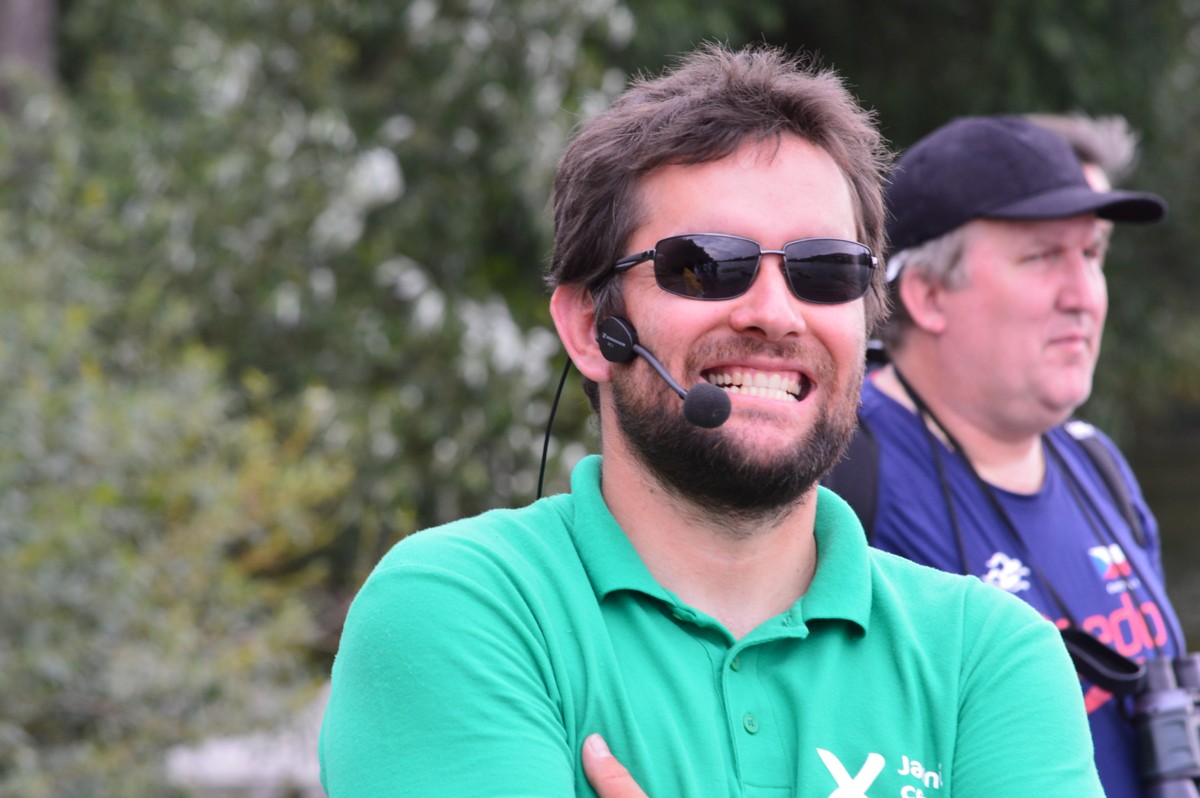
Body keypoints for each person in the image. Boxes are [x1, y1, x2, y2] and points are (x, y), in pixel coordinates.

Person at [319, 47, 1104, 796]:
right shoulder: (460, 607)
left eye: (826, 270)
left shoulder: (991, 656)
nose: (776, 314)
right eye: (706, 265)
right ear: (591, 328)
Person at [823, 115, 1186, 798]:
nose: (1085, 296)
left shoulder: (1100, 466)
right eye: (1042, 257)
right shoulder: (840, 473)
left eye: (1093, 254)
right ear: (928, 294)